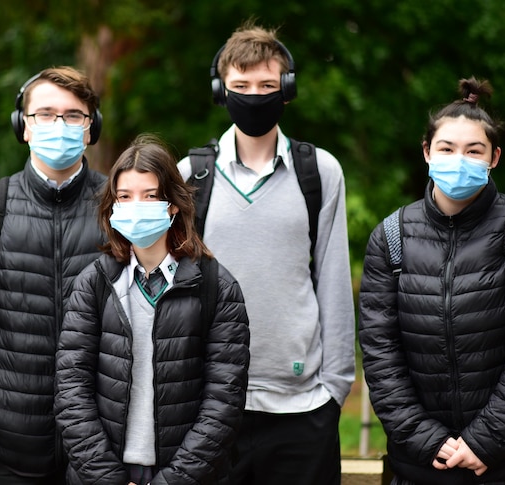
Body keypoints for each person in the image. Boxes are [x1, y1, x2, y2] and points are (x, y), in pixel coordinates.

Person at [358, 77, 505, 484]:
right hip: (422, 467)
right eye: (446, 148)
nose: (459, 159)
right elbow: (380, 353)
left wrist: (484, 442)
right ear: (427, 152)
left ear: (494, 158)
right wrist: (426, 440)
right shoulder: (391, 237)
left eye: (474, 150)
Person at [176, 22, 355, 484]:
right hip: (210, 402)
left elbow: (332, 281)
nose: (254, 95)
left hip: (303, 407)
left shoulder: (320, 171)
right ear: (221, 91)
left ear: (286, 89)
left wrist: (335, 388)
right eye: (240, 85)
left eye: (267, 85)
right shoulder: (190, 176)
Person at [55, 134, 251, 484]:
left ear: (172, 204)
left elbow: (223, 403)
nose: (136, 206)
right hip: (103, 473)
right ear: (112, 206)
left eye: (150, 196)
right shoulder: (93, 284)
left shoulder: (216, 287)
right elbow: (72, 392)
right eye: (125, 197)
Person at [0, 66, 107, 484]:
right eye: (46, 114)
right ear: (24, 127)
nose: (60, 125)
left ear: (91, 129)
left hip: (101, 443)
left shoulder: (117, 210)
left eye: (74, 115)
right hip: (6, 447)